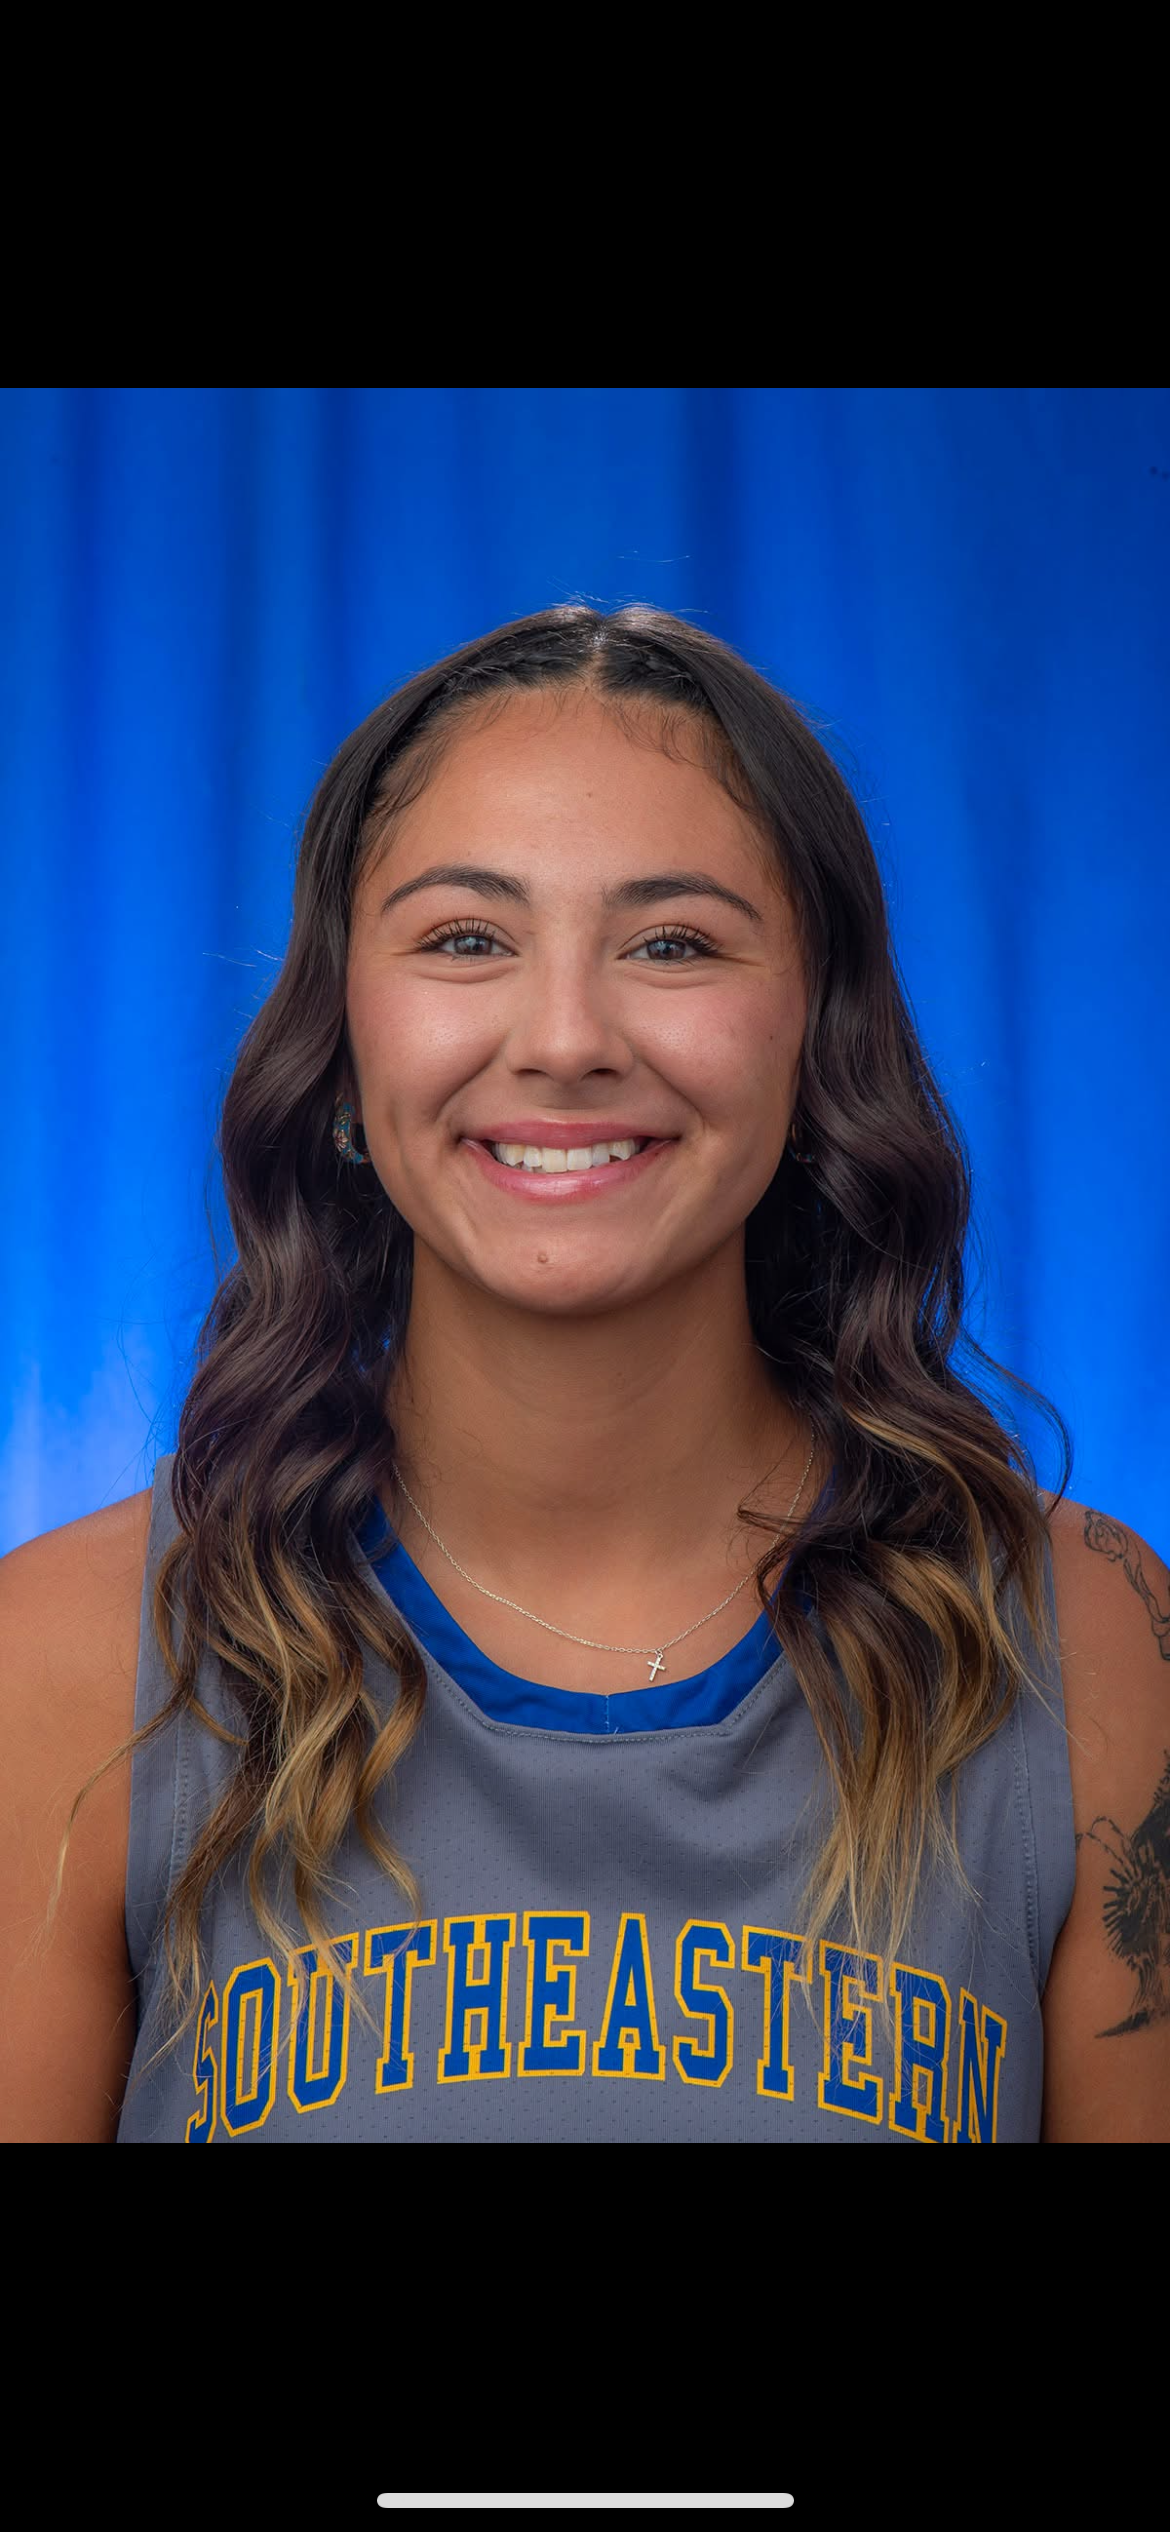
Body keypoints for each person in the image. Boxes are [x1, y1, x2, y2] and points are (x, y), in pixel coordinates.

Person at [4, 603, 1168, 2144]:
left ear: (815, 1031)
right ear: (344, 1037)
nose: (563, 1038)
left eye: (672, 943)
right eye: (464, 939)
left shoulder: (1085, 1645)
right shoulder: (71, 1662)